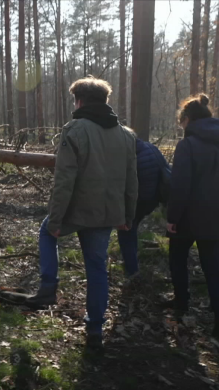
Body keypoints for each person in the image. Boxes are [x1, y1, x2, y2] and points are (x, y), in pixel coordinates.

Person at [25, 77, 138, 351]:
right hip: (108, 213)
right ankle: (95, 327)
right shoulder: (126, 134)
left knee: (45, 232)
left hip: (78, 211)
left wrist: (55, 219)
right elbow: (132, 180)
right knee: (97, 266)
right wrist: (127, 216)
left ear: (79, 101)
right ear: (105, 101)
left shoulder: (74, 129)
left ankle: (48, 286)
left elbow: (64, 180)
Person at [166, 94, 219, 341]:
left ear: (187, 119)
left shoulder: (187, 145)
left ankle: (181, 304)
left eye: (181, 122)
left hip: (188, 217)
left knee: (178, 259)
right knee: (213, 266)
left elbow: (180, 185)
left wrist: (172, 217)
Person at [117, 137, 170, 280]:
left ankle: (132, 270)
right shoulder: (149, 147)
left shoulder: (130, 156)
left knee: (125, 232)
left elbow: (124, 184)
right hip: (152, 199)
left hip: (138, 200)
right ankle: (132, 260)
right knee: (132, 229)